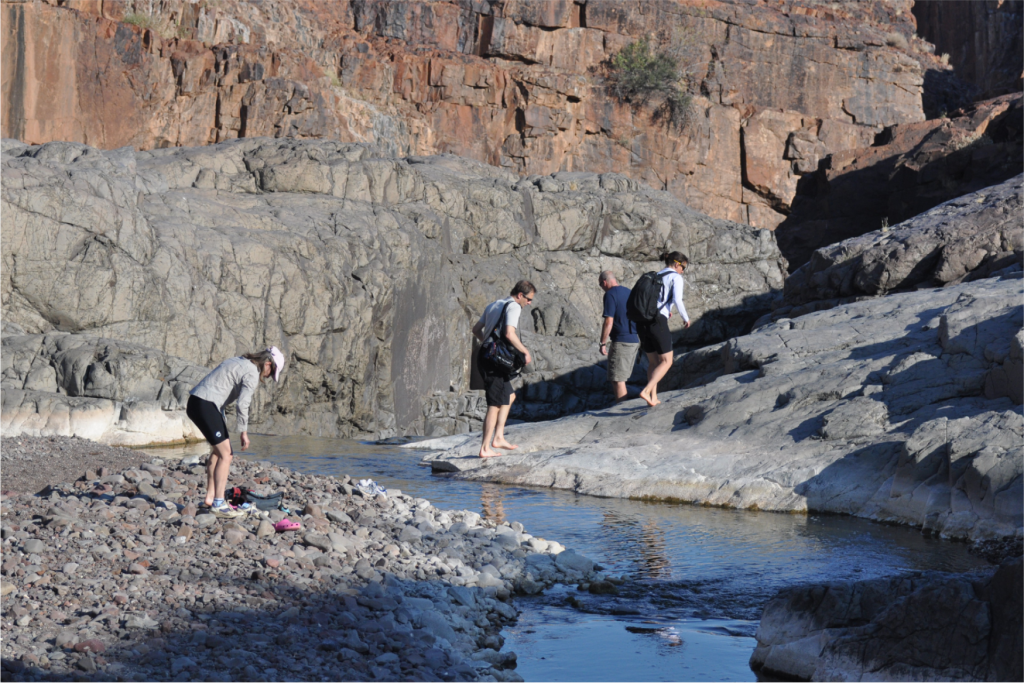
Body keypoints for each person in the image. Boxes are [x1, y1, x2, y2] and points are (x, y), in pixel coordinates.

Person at [186, 346, 286, 517]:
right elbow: (242, 404)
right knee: (227, 455)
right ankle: (219, 503)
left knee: (218, 452)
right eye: (272, 372)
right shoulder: (252, 373)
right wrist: (243, 432)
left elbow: (219, 389)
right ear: (268, 363)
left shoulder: (239, 360)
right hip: (205, 405)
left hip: (196, 402)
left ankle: (210, 498)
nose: (268, 376)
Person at [471, 280, 535, 458]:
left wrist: (488, 344)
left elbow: (476, 329)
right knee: (495, 404)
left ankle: (498, 437)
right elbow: (509, 333)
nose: (529, 303)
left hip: (486, 355)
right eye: (529, 299)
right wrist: (525, 351)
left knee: (509, 396)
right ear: (520, 295)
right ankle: (484, 448)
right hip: (494, 361)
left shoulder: (494, 304)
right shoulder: (514, 306)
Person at [637, 252, 690, 407]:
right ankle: (646, 391)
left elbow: (657, 299)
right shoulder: (676, 277)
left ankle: (653, 398)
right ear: (676, 264)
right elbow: (677, 299)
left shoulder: (656, 275)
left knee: (653, 362)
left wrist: (668, 309)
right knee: (667, 361)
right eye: (683, 267)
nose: (683, 271)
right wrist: (685, 318)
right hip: (657, 321)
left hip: (643, 321)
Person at [598, 271, 640, 401]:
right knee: (621, 378)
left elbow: (608, 322)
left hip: (622, 341)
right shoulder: (629, 292)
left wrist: (602, 343)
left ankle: (621, 409)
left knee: (617, 379)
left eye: (600, 284)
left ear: (604, 282)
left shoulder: (610, 294)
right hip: (634, 339)